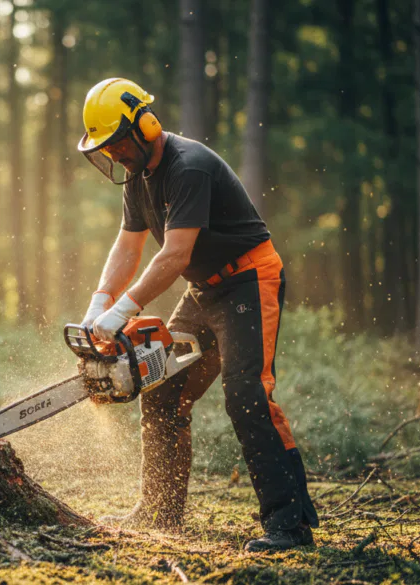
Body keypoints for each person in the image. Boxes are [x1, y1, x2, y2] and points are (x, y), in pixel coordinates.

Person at [76, 77, 319, 552]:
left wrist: (126, 310)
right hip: (204, 290)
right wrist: (100, 301)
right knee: (160, 384)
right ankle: (160, 512)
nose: (116, 155)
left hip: (248, 280)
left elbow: (174, 255)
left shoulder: (189, 167)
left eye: (120, 143)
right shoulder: (139, 176)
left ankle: (290, 525)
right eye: (107, 149)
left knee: (247, 394)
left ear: (145, 125)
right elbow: (129, 244)